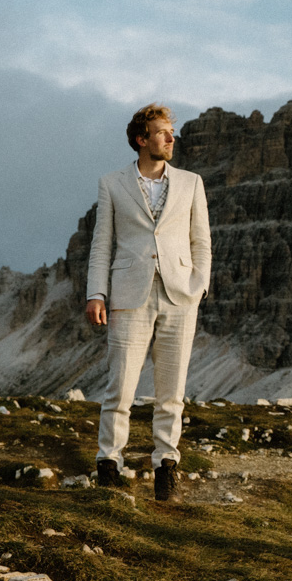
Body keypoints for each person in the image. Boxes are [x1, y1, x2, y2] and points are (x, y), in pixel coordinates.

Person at [86, 104, 212, 500]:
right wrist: (96, 292)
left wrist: (199, 286)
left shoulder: (192, 182)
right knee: (120, 386)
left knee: (171, 389)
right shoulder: (112, 183)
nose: (171, 137)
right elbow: (102, 243)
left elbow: (201, 241)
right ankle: (109, 465)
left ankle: (166, 467)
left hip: (180, 296)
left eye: (171, 131)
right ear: (142, 139)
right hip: (128, 295)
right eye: (162, 132)